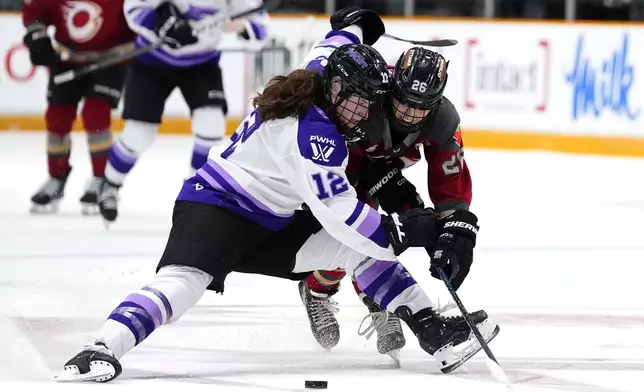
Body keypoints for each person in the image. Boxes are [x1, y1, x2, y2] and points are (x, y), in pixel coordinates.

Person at [57, 30, 496, 382]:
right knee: (182, 285)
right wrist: (403, 232)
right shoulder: (315, 135)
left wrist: (357, 26)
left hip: (272, 221)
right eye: (358, 102)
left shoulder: (322, 73)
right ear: (337, 89)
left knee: (360, 254)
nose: (364, 114)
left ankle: (434, 333)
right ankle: (101, 348)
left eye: (369, 102)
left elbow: (331, 41)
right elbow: (343, 216)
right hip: (218, 209)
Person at [299, 43, 486, 361]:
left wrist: (453, 232)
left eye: (421, 108)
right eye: (402, 102)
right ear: (392, 85)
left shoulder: (443, 120)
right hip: (342, 169)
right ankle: (320, 290)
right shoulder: (367, 93)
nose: (409, 115)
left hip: (386, 169)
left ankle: (374, 296)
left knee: (417, 224)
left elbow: (450, 185)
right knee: (358, 236)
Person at [96, 0, 269, 224]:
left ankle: (195, 195)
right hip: (152, 62)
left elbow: (261, 28)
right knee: (139, 133)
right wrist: (162, 26)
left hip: (202, 63)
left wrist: (244, 27)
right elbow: (133, 8)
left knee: (211, 125)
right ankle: (110, 184)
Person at [22, 0, 134, 214]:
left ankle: (102, 179)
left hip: (111, 61)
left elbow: (141, 14)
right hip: (67, 58)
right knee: (57, 119)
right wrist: (38, 36)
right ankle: (56, 178)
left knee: (96, 114)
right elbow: (37, 11)